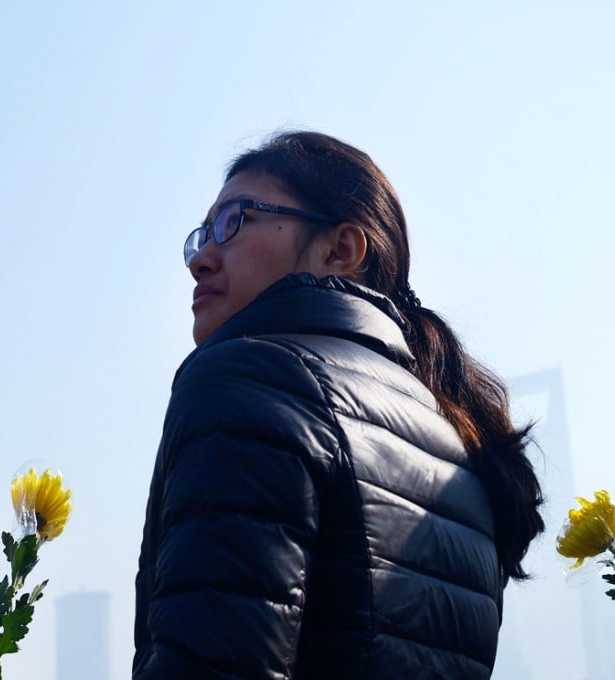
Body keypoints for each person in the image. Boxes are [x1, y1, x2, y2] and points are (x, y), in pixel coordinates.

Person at [133, 130, 544, 679]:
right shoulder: (461, 442)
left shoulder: (250, 377)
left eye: (234, 221)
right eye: (202, 233)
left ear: (341, 250)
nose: (201, 259)